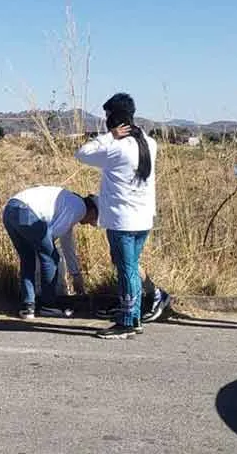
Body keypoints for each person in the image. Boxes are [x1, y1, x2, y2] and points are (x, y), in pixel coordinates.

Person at [76, 93, 158, 339]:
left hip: (123, 220)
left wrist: (109, 136)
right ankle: (134, 315)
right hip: (143, 217)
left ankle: (128, 321)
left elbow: (82, 153)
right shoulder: (150, 143)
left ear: (114, 119)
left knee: (126, 269)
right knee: (130, 266)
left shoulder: (115, 147)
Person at [2, 186, 97, 319]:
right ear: (92, 210)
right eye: (94, 219)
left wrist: (75, 274)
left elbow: (67, 244)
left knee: (28, 258)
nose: (90, 223)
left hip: (10, 210)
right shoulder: (80, 208)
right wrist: (46, 251)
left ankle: (28, 307)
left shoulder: (71, 204)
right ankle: (48, 306)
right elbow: (52, 235)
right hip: (26, 212)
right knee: (51, 258)